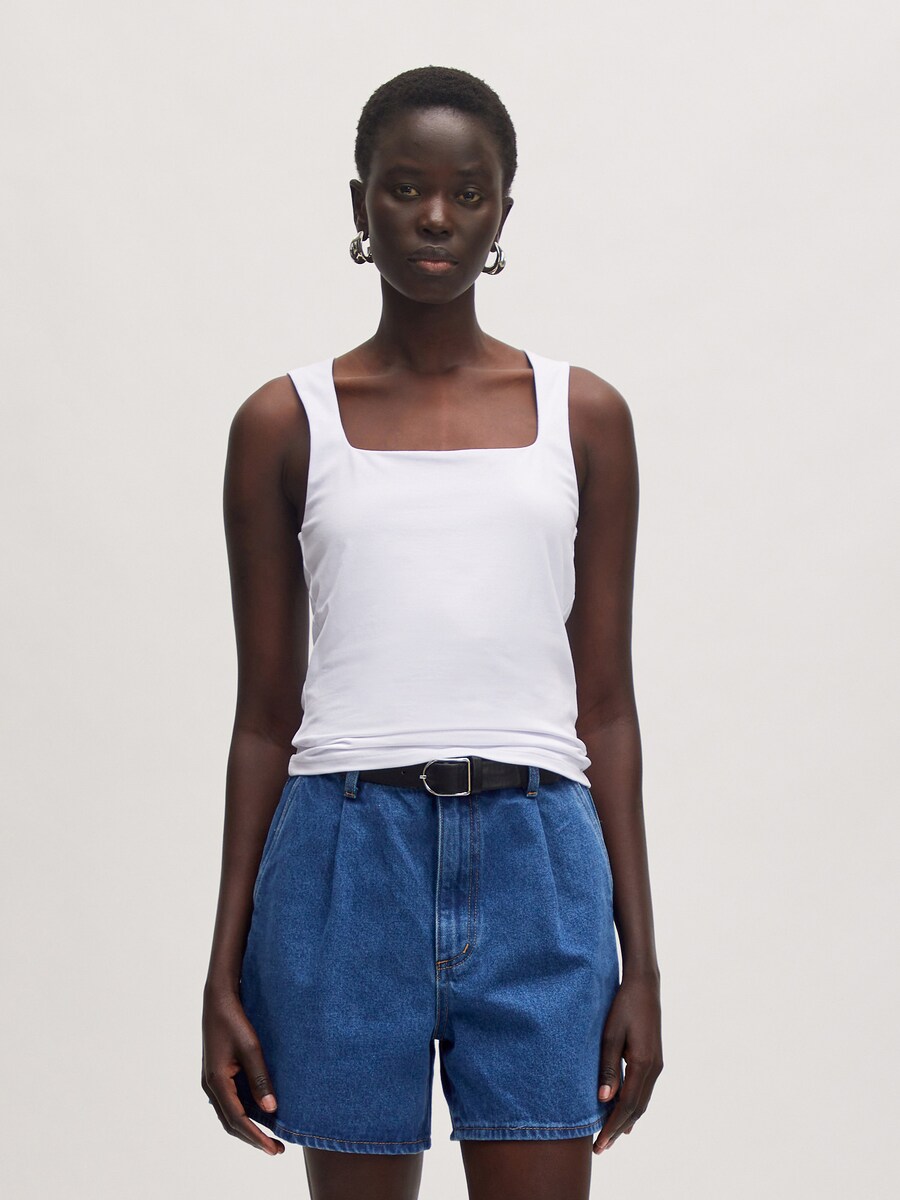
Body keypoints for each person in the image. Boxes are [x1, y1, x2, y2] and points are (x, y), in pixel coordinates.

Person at [201, 65, 663, 1200]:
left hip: (540, 858)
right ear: (359, 203)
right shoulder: (284, 423)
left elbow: (606, 706)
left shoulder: (583, 417)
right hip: (345, 860)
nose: (436, 217)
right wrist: (223, 966)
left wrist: (641, 964)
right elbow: (264, 716)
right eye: (405, 188)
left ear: (505, 209)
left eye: (468, 191)